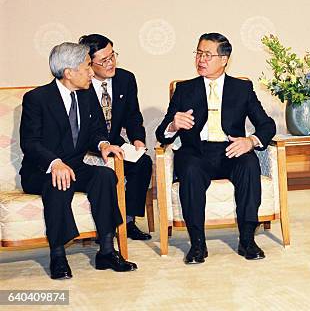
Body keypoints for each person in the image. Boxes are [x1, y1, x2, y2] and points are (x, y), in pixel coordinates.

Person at [19, 42, 137, 280]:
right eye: (86, 67)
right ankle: (58, 255)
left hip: (75, 166)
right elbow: (30, 143)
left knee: (105, 175)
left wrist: (103, 145)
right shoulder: (36, 98)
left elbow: (94, 131)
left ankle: (106, 250)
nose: (92, 72)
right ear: (69, 73)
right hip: (42, 170)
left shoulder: (85, 96)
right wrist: (55, 163)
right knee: (58, 181)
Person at [156, 32, 276, 263]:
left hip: (230, 150)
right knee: (189, 169)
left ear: (224, 60)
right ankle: (198, 244)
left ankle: (248, 240)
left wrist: (249, 141)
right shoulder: (184, 89)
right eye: (199, 53)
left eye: (208, 55)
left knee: (250, 164)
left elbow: (266, 124)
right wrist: (173, 124)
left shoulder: (241, 88)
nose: (201, 59)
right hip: (196, 153)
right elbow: (161, 133)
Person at [79, 34, 153, 241]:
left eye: (112, 55)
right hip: (86, 147)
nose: (111, 63)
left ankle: (128, 221)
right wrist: (101, 143)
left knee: (143, 163)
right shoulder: (80, 84)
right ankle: (101, 226)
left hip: (115, 143)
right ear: (88, 63)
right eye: (103, 60)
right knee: (103, 175)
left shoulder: (125, 79)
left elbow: (132, 115)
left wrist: (138, 140)